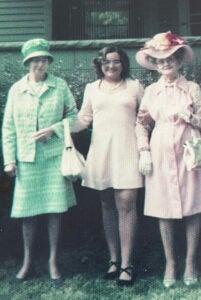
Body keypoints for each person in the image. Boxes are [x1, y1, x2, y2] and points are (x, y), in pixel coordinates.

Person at [135, 32, 201, 288]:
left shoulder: (192, 88)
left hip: (189, 152)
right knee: (164, 209)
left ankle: (190, 262)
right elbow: (141, 124)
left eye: (170, 58)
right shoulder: (151, 91)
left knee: (193, 206)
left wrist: (191, 118)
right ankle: (171, 262)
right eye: (160, 60)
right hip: (160, 152)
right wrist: (144, 151)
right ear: (155, 64)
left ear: (180, 59)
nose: (165, 63)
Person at [2, 38, 77, 284]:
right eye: (35, 60)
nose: (40, 64)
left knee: (55, 211)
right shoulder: (16, 89)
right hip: (26, 159)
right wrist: (9, 160)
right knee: (28, 213)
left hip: (54, 158)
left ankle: (53, 261)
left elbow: (74, 117)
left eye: (44, 59)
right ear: (27, 63)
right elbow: (8, 128)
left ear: (49, 62)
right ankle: (27, 262)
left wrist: (53, 130)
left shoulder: (60, 86)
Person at [73, 46, 144, 286]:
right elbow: (83, 119)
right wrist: (59, 129)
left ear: (123, 63)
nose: (111, 66)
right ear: (99, 64)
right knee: (107, 205)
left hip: (128, 151)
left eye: (115, 61)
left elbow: (146, 118)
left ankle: (127, 263)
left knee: (126, 205)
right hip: (101, 152)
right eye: (106, 62)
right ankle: (113, 260)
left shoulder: (135, 86)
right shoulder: (92, 88)